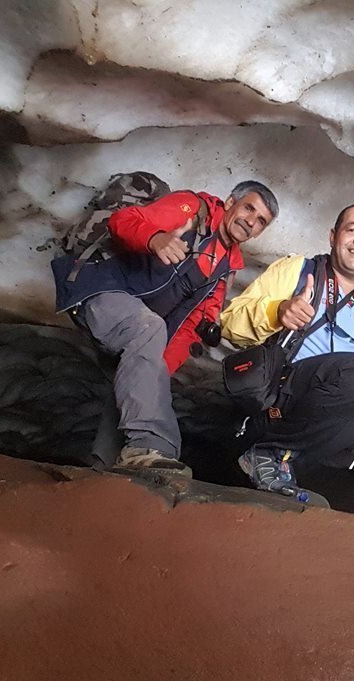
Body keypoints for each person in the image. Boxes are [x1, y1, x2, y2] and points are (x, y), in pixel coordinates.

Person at [220, 203, 354, 525]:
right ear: (333, 236)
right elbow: (230, 324)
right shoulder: (296, 272)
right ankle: (266, 453)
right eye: (352, 229)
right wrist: (278, 311)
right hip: (275, 411)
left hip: (324, 428)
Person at [52, 181, 279, 476]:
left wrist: (159, 369)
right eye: (249, 208)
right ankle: (151, 447)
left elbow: (193, 324)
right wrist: (155, 238)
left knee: (143, 377)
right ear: (230, 202)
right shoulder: (191, 209)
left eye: (261, 221)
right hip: (100, 294)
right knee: (148, 331)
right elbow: (124, 221)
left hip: (138, 325)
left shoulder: (226, 265)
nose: (251, 221)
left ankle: (105, 468)